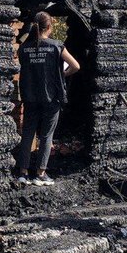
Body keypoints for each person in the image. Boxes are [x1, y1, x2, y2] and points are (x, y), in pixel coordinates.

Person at [16, 11, 80, 186]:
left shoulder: (24, 48)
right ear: (50, 26)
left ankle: (23, 172)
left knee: (28, 133)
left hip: (29, 96)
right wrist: (63, 74)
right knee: (46, 135)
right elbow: (76, 66)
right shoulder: (56, 46)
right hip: (51, 97)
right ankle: (40, 174)